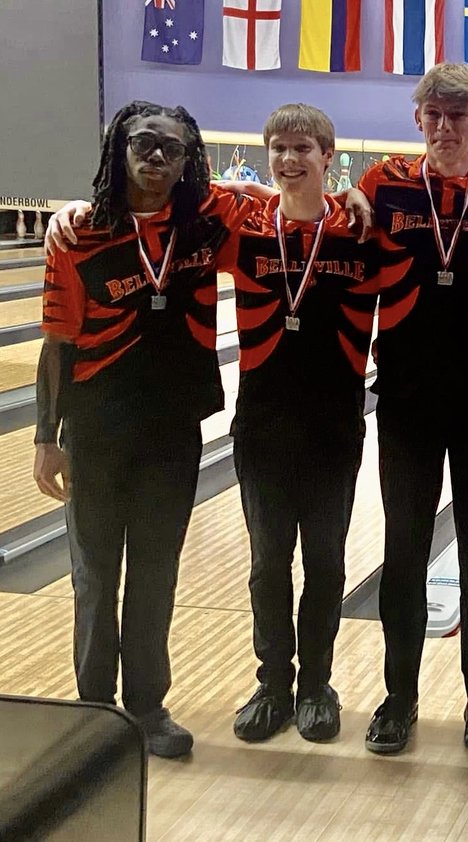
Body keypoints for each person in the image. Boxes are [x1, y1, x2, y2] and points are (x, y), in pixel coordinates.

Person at [34, 100, 256, 758]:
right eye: (143, 144)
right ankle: (95, 708)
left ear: (189, 161)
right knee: (95, 577)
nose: (156, 157)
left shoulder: (206, 223)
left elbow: (281, 205)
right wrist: (46, 437)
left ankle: (148, 707)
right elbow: (56, 340)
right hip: (96, 430)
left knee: (156, 573)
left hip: (172, 431)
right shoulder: (79, 234)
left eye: (171, 148)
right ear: (118, 149)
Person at [356, 63, 468, 757]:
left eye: (459, 115)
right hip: (404, 399)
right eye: (433, 113)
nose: (445, 126)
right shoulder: (385, 186)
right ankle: (398, 698)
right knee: (402, 553)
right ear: (417, 120)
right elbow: (322, 214)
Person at [222, 104, 383, 744]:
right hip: (260, 428)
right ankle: (272, 684)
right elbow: (176, 196)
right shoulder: (245, 232)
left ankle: (316, 682)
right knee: (267, 565)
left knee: (326, 562)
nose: (289, 161)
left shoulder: (360, 235)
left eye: (302, 149)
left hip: (333, 429)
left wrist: (350, 196)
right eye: (279, 150)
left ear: (327, 154)